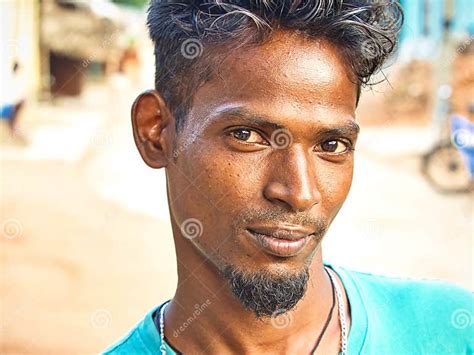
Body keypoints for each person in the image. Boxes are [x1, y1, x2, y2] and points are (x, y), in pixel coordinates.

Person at [103, 0, 473, 354]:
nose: (300, 192)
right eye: (247, 136)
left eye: (332, 144)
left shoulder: (455, 332)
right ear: (156, 131)